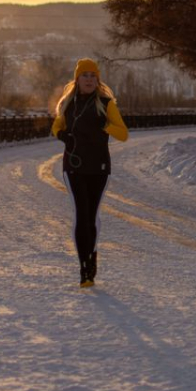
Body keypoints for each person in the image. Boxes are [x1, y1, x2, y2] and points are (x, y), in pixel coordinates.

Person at [51, 58, 128, 287]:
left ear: (98, 79)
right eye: (85, 75)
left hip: (99, 168)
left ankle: (92, 256)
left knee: (92, 215)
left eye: (93, 76)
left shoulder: (106, 103)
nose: (89, 80)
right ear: (77, 79)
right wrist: (62, 136)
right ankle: (84, 268)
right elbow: (56, 125)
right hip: (73, 167)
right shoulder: (68, 102)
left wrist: (105, 125)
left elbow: (123, 134)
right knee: (81, 215)